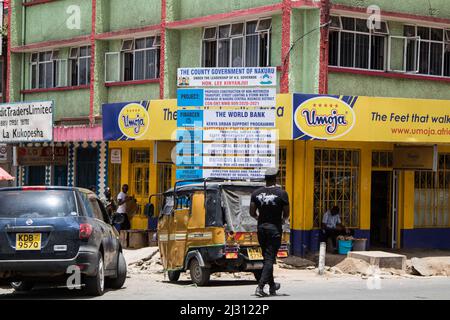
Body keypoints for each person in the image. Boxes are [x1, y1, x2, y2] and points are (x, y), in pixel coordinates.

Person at [250, 169, 290, 297]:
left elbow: (252, 212)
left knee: (267, 257)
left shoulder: (256, 193)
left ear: (265, 179)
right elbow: (287, 213)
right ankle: (260, 287)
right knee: (269, 258)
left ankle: (272, 286)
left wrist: (259, 219)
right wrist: (282, 220)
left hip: (261, 229)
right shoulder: (282, 194)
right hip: (274, 229)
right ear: (276, 179)